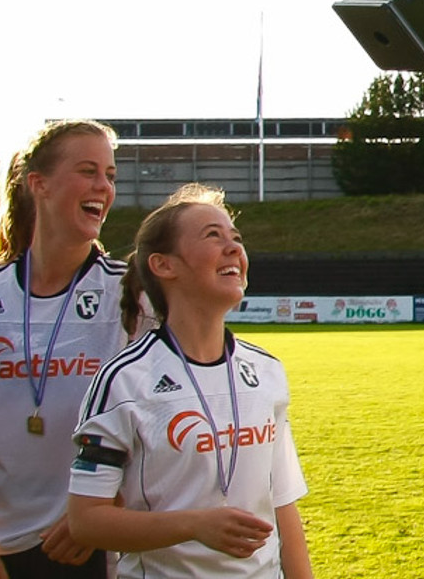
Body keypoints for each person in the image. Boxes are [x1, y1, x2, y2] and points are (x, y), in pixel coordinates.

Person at [67, 183, 314, 579]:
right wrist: (193, 525)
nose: (233, 248)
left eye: (236, 238)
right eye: (213, 236)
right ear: (164, 265)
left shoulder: (266, 371)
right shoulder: (124, 381)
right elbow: (86, 521)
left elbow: (282, 505)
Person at [0, 119, 126, 579]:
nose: (103, 186)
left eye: (110, 175)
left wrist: (101, 508)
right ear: (39, 184)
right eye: (88, 171)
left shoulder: (132, 294)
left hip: (95, 546)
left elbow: (158, 421)